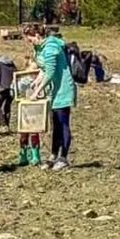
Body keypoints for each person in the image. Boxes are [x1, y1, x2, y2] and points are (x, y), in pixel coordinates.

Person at [26, 23, 76, 171]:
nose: (28, 41)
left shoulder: (51, 47)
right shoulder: (40, 48)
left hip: (63, 89)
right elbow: (44, 69)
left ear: (37, 35)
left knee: (63, 123)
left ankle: (63, 157)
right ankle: (53, 156)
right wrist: (36, 82)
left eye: (29, 38)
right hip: (53, 91)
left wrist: (37, 92)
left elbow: (50, 72)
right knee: (55, 124)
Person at [0, 51, 17, 132]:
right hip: (12, 88)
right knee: (7, 107)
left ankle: (3, 125)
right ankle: (7, 126)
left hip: (3, 88)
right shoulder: (11, 63)